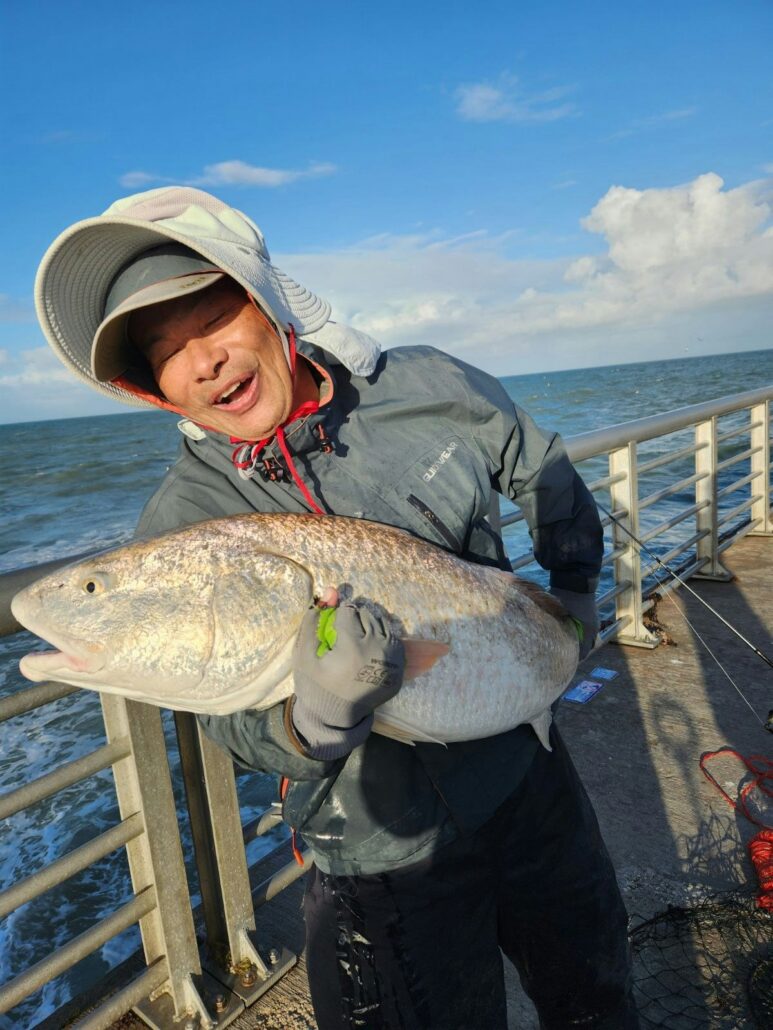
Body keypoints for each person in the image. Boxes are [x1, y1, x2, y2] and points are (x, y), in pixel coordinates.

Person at [36, 187, 639, 1029]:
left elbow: (539, 468)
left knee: (597, 994)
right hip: (374, 849)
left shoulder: (427, 384)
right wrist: (308, 724)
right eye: (166, 352)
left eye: (211, 319)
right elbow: (221, 704)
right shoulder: (184, 525)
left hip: (530, 783)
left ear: (270, 306)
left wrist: (573, 593)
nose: (201, 361)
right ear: (153, 389)